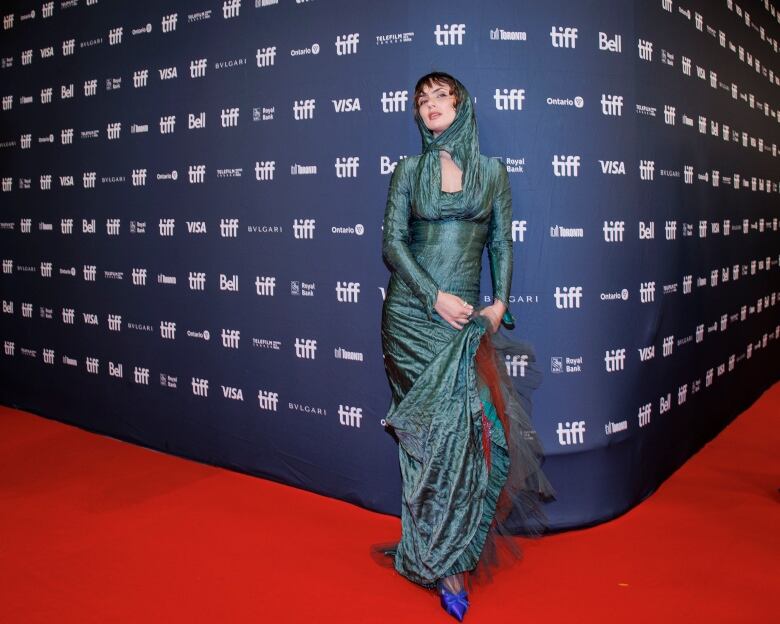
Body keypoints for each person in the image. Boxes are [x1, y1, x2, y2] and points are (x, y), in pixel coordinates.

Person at [378, 72, 557, 621]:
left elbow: (501, 240)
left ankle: (446, 557)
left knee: (460, 441)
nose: (430, 105)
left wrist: (498, 302)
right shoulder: (408, 172)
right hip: (411, 320)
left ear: (462, 105)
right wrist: (434, 297)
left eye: (440, 96)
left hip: (463, 327)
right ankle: (436, 555)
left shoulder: (492, 173)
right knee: (429, 445)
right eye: (421, 100)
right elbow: (391, 244)